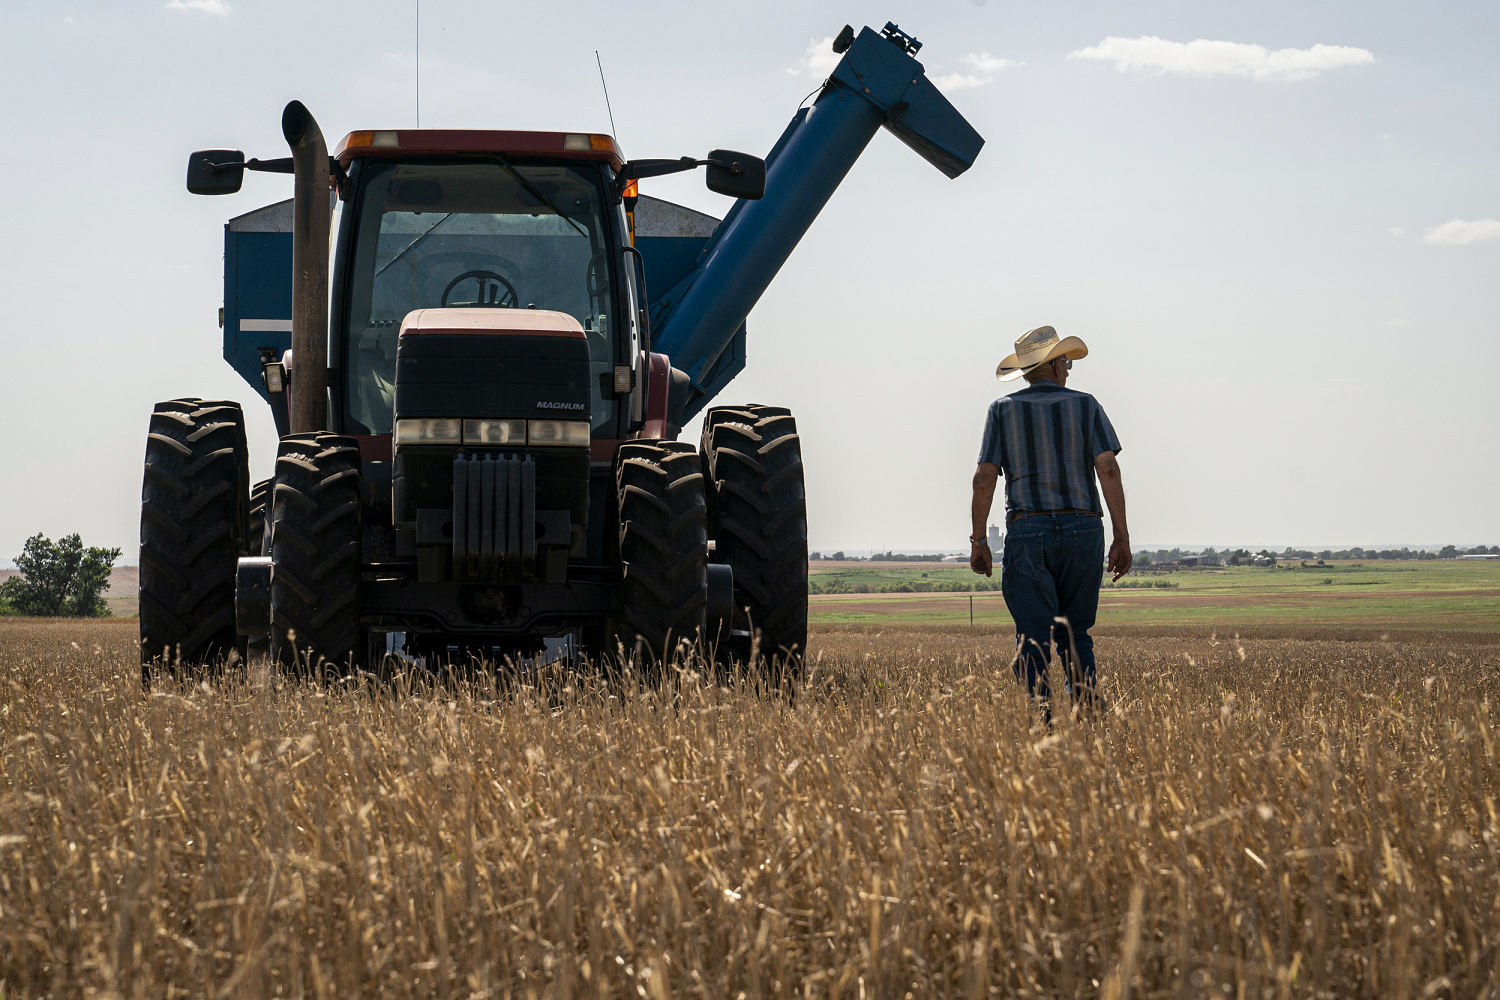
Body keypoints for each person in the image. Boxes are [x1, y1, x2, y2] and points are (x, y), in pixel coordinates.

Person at [969, 325, 1131, 722]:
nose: (1069, 369)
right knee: (1076, 635)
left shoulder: (1002, 409)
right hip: (1083, 530)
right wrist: (1122, 536)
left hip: (1028, 531)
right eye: (1067, 362)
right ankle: (1090, 718)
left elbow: (984, 479)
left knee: (1033, 639)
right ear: (1056, 365)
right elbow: (1107, 467)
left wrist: (978, 541)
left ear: (1027, 371)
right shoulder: (1087, 405)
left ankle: (1043, 726)